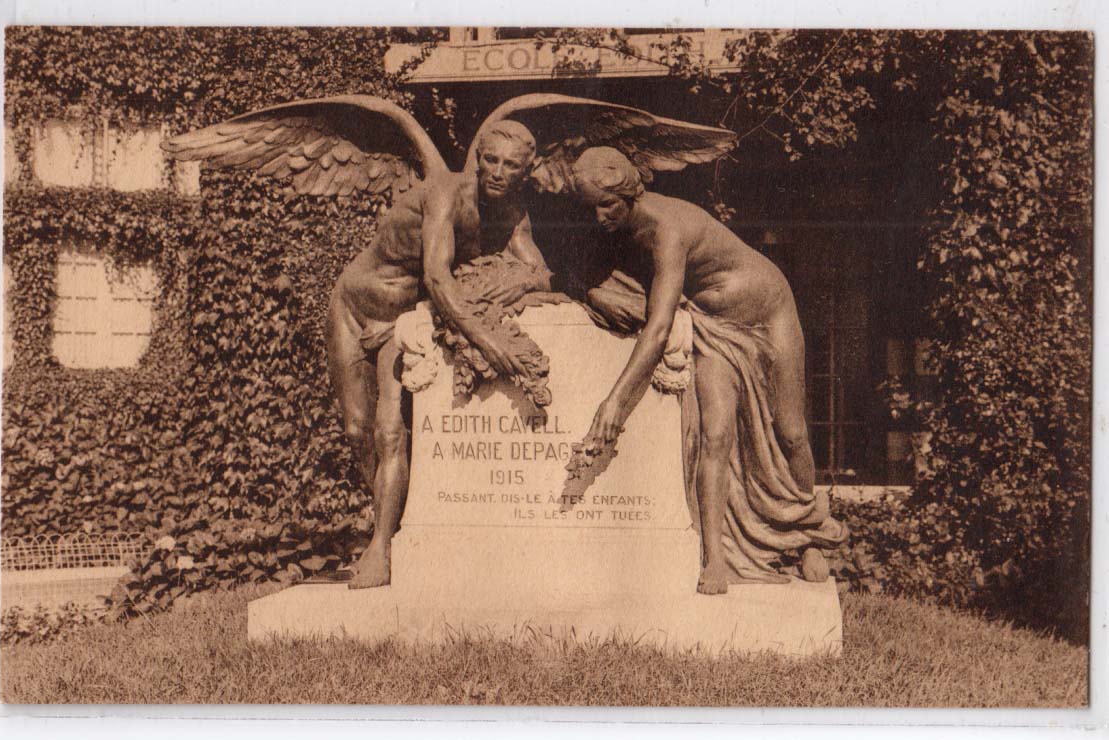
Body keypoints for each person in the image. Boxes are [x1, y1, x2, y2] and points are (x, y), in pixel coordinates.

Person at [571, 147, 846, 594]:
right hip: (713, 326)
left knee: (792, 431)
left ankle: (808, 535)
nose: (599, 217)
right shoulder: (624, 228)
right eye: (591, 208)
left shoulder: (667, 228)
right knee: (715, 435)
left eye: (607, 205)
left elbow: (659, 328)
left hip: (769, 313)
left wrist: (614, 403)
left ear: (629, 193)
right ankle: (715, 557)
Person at [326, 120, 552, 589]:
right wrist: (486, 340)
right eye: (491, 160)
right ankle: (393, 523)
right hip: (355, 304)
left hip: (402, 317)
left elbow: (540, 273)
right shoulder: (445, 194)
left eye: (511, 165)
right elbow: (436, 275)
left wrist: (520, 282)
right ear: (478, 159)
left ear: (526, 171)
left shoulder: (513, 214)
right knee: (356, 430)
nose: (498, 172)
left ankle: (382, 547)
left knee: (390, 430)